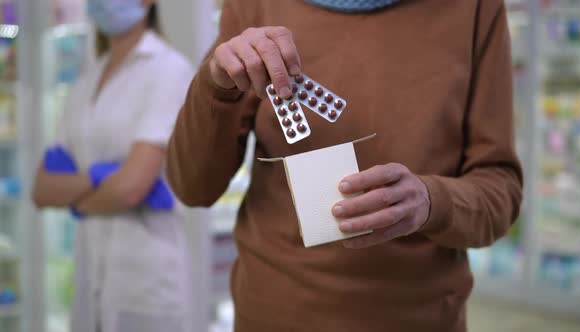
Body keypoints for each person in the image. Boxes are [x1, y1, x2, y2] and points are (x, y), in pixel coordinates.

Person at [166, 0, 523, 331]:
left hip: (419, 317)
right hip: (274, 312)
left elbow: (499, 190)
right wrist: (216, 84)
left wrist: (432, 201)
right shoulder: (256, 4)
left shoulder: (475, 8)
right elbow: (193, 188)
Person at [32, 0, 195, 331]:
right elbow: (42, 189)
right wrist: (105, 179)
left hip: (147, 282)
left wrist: (78, 198)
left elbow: (130, 189)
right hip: (91, 278)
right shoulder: (87, 81)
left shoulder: (169, 69)